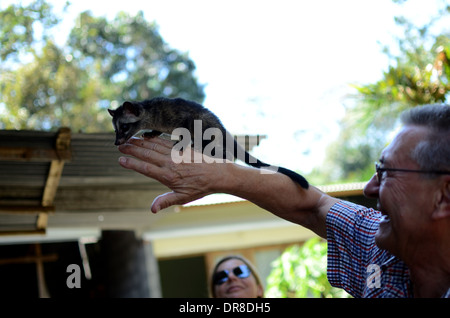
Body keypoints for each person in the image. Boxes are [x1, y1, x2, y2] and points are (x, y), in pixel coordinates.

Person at [117, 104, 450, 298]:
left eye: (387, 172)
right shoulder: (381, 252)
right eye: (222, 278)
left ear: (443, 196)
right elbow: (313, 204)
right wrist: (221, 176)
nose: (369, 187)